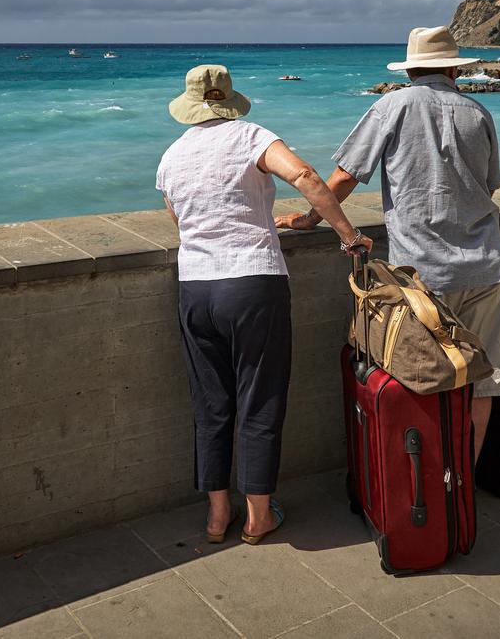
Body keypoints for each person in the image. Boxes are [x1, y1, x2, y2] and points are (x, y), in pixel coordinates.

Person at [277, 26, 500, 463]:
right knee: (487, 381)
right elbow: (490, 187)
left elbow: (346, 175)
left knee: (423, 377)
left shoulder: (392, 105)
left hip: (423, 275)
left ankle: (427, 485)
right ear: (453, 68)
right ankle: (464, 481)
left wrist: (310, 218)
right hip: (488, 266)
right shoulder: (477, 112)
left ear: (409, 69)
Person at [156, 64, 372, 546]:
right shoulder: (251, 136)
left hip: (196, 287)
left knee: (210, 403)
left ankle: (216, 515)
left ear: (189, 106)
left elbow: (180, 219)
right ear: (229, 101)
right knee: (259, 397)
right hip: (253, 282)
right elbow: (306, 175)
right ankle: (257, 516)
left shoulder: (171, 156)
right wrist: (349, 236)